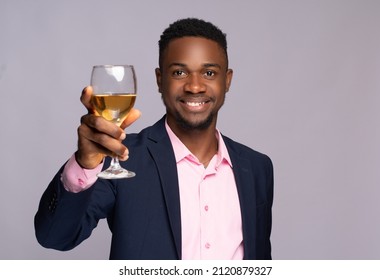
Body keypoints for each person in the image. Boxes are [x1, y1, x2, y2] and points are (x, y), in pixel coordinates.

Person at [34, 18, 274, 260]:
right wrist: (86, 163)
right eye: (179, 72)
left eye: (209, 73)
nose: (194, 86)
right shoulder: (121, 157)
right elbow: (55, 236)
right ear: (160, 80)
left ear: (227, 81)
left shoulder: (256, 167)